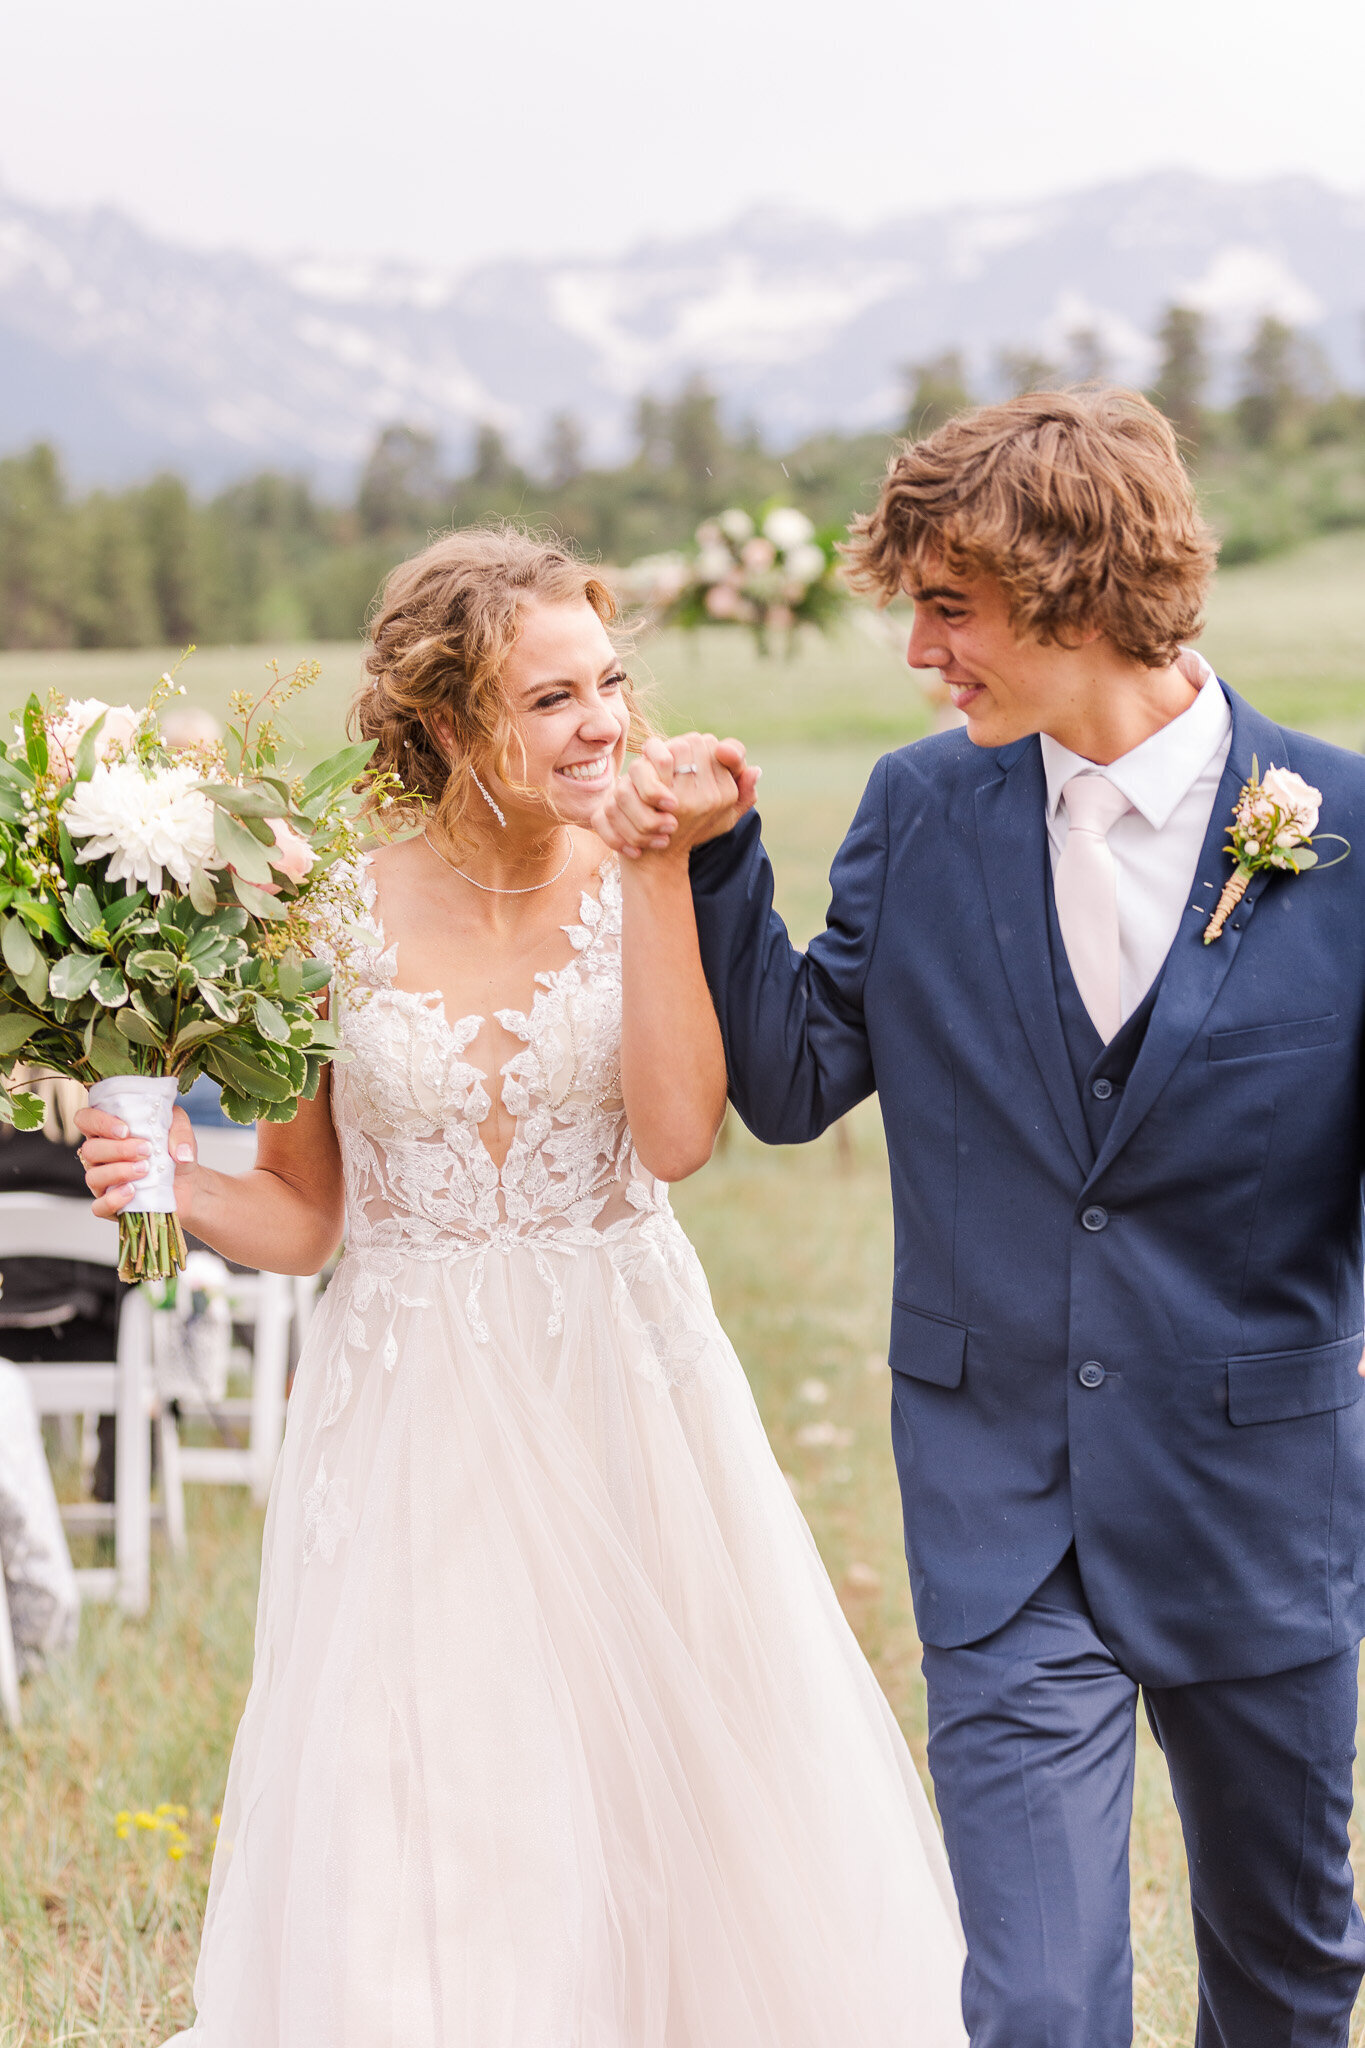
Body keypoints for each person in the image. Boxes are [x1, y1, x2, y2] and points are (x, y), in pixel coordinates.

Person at [75, 529, 966, 2047]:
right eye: (550, 699)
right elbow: (305, 1215)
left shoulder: (638, 877)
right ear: (443, 722)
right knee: (429, 1789)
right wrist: (166, 1187)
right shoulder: (324, 920)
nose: (604, 723)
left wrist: (663, 872)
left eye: (610, 683)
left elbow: (678, 1137)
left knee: (657, 1784)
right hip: (408, 1407)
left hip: (620, 1377)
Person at [596, 388, 1365, 2048]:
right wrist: (720, 869)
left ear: (1075, 588)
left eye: (948, 607)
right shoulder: (918, 809)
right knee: (1032, 2003)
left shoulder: (1345, 834)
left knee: (1289, 1976)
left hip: (1256, 1503)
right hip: (1000, 1502)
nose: (918, 650)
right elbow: (795, 1081)